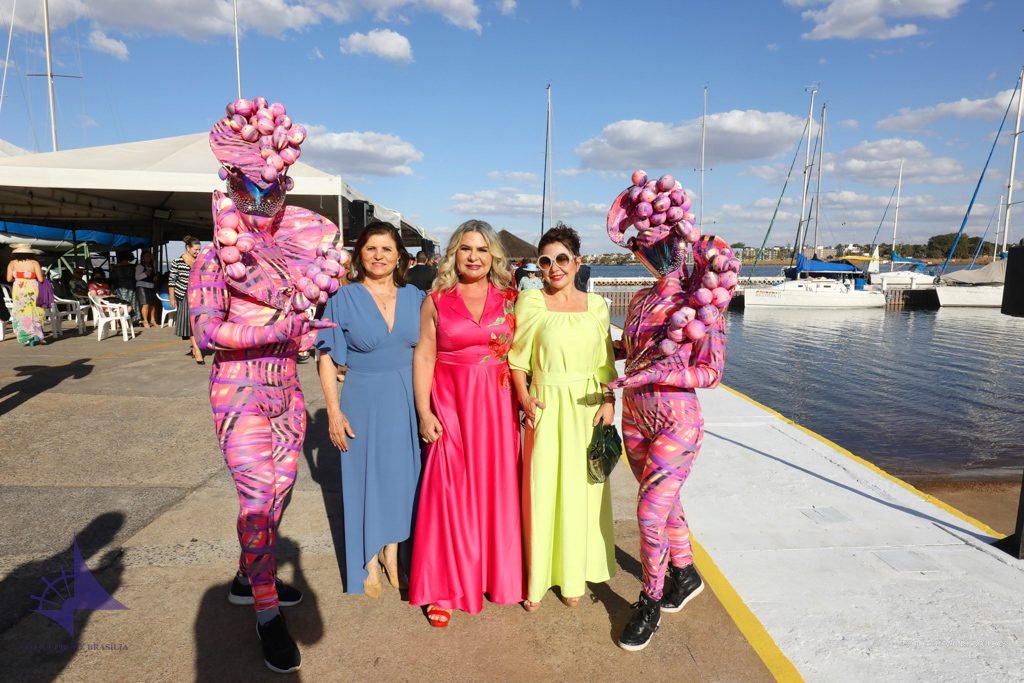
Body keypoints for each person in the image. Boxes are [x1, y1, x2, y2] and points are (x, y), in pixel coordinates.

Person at [190, 96, 345, 674]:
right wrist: (277, 329)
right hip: (239, 392)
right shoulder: (213, 260)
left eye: (272, 190)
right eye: (249, 190)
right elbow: (206, 333)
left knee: (277, 498)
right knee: (257, 502)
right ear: (230, 187)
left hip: (287, 392)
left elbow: (302, 315)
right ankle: (265, 612)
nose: (260, 201)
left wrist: (302, 333)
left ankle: (246, 577)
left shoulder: (293, 254)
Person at [409, 219, 523, 627]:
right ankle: (445, 587)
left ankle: (497, 575)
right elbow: (424, 355)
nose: (474, 257)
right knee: (448, 491)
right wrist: (424, 412)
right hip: (450, 403)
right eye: (466, 248)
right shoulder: (436, 300)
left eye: (482, 249)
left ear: (493, 255)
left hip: (498, 405)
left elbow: (527, 352)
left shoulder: (511, 299)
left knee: (496, 489)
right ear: (454, 253)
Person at [509, 224, 617, 612]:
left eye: (562, 259)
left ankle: (573, 576)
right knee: (542, 490)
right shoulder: (531, 302)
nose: (554, 267)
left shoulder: (597, 306)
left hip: (588, 406)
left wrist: (610, 401)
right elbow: (517, 360)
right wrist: (524, 397)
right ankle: (537, 578)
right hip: (547, 404)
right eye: (546, 261)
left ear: (577, 262)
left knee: (581, 492)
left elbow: (606, 360)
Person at [316, 221, 424, 597]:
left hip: (408, 398)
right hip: (363, 398)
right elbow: (327, 358)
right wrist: (333, 411)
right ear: (359, 255)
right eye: (371, 248)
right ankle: (367, 558)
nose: (379, 256)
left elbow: (432, 352)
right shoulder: (342, 299)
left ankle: (392, 553)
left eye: (387, 249)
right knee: (365, 479)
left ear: (399, 257)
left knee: (404, 479)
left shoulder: (416, 297)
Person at [169, 237, 204, 364]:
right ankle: (197, 349)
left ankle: (195, 348)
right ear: (188, 248)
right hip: (183, 295)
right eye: (195, 250)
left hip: (198, 295)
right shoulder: (177, 262)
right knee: (189, 322)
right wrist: (172, 297)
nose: (197, 252)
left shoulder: (200, 261)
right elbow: (172, 281)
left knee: (198, 322)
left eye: (199, 250)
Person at [5, 244, 45, 345]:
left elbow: (8, 279)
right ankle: (36, 335)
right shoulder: (34, 263)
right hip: (32, 288)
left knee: (21, 311)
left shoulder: (12, 263)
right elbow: (40, 279)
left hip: (19, 289)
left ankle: (26, 336)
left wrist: (18, 278)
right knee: (34, 310)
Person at [135, 250, 158, 328]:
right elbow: (137, 277)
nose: (148, 258)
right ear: (143, 258)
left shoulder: (151, 266)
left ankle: (152, 320)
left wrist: (154, 277)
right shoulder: (140, 266)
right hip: (142, 286)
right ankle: (145, 321)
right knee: (146, 304)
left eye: (149, 256)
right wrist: (145, 273)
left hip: (151, 286)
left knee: (152, 304)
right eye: (146, 256)